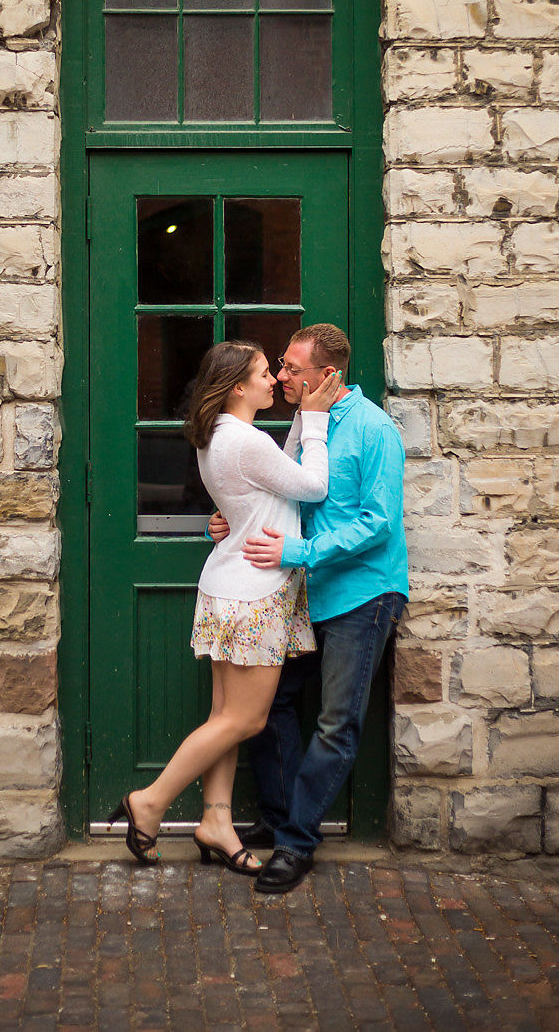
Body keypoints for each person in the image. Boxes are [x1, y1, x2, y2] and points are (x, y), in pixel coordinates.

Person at [109, 339, 344, 873]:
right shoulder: (244, 440)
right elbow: (311, 485)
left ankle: (216, 820)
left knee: (224, 715)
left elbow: (273, 482)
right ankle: (149, 801)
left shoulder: (221, 435)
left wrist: (299, 426)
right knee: (246, 719)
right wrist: (314, 422)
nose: (273, 381)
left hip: (230, 585)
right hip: (254, 592)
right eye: (264, 373)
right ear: (238, 386)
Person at [210, 322, 408, 895]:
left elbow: (377, 523)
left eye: (294, 368)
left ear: (329, 375)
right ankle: (278, 818)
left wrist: (298, 550)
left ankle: (296, 843)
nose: (281, 375)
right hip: (300, 594)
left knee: (336, 722)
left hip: (360, 595)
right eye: (281, 364)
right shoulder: (303, 425)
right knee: (269, 707)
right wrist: (225, 525)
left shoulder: (374, 430)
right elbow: (279, 497)